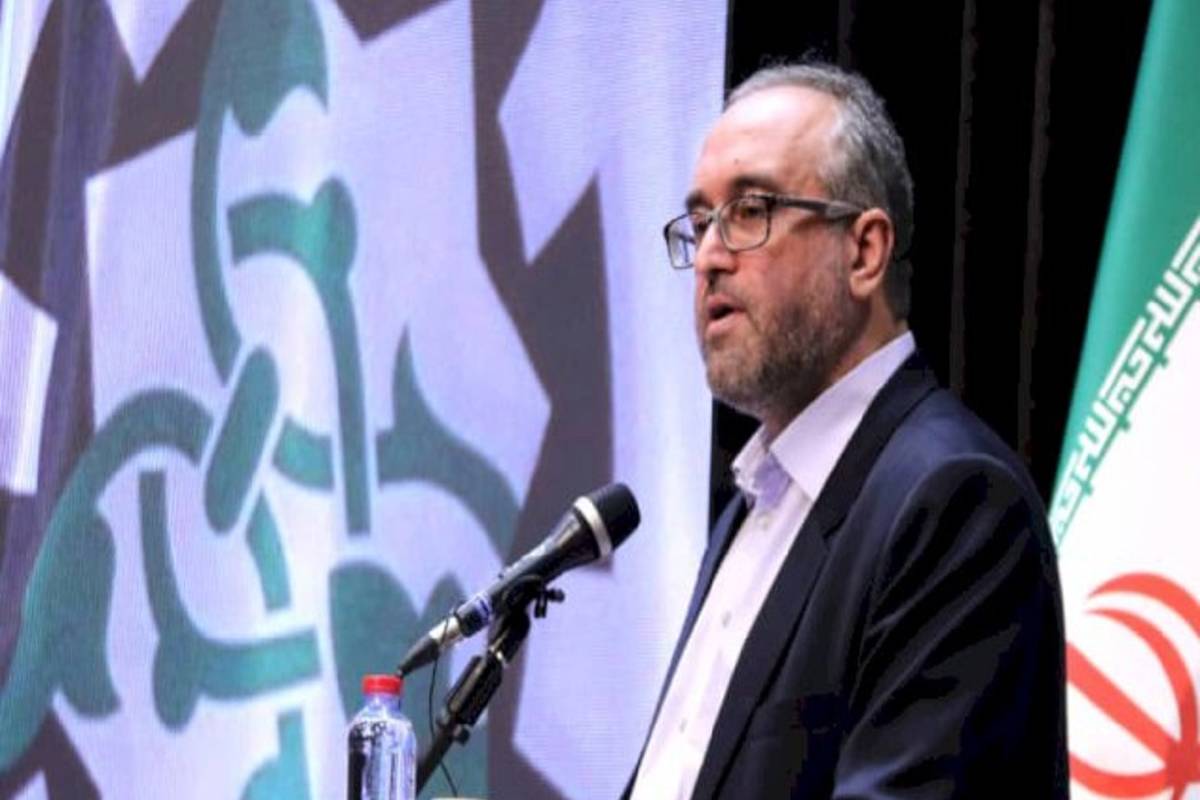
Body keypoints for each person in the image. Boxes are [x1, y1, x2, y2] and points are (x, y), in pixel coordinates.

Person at [625, 62, 1068, 799]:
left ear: (863, 252)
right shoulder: (753, 505)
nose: (708, 258)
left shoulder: (953, 500)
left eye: (750, 211)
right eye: (700, 223)